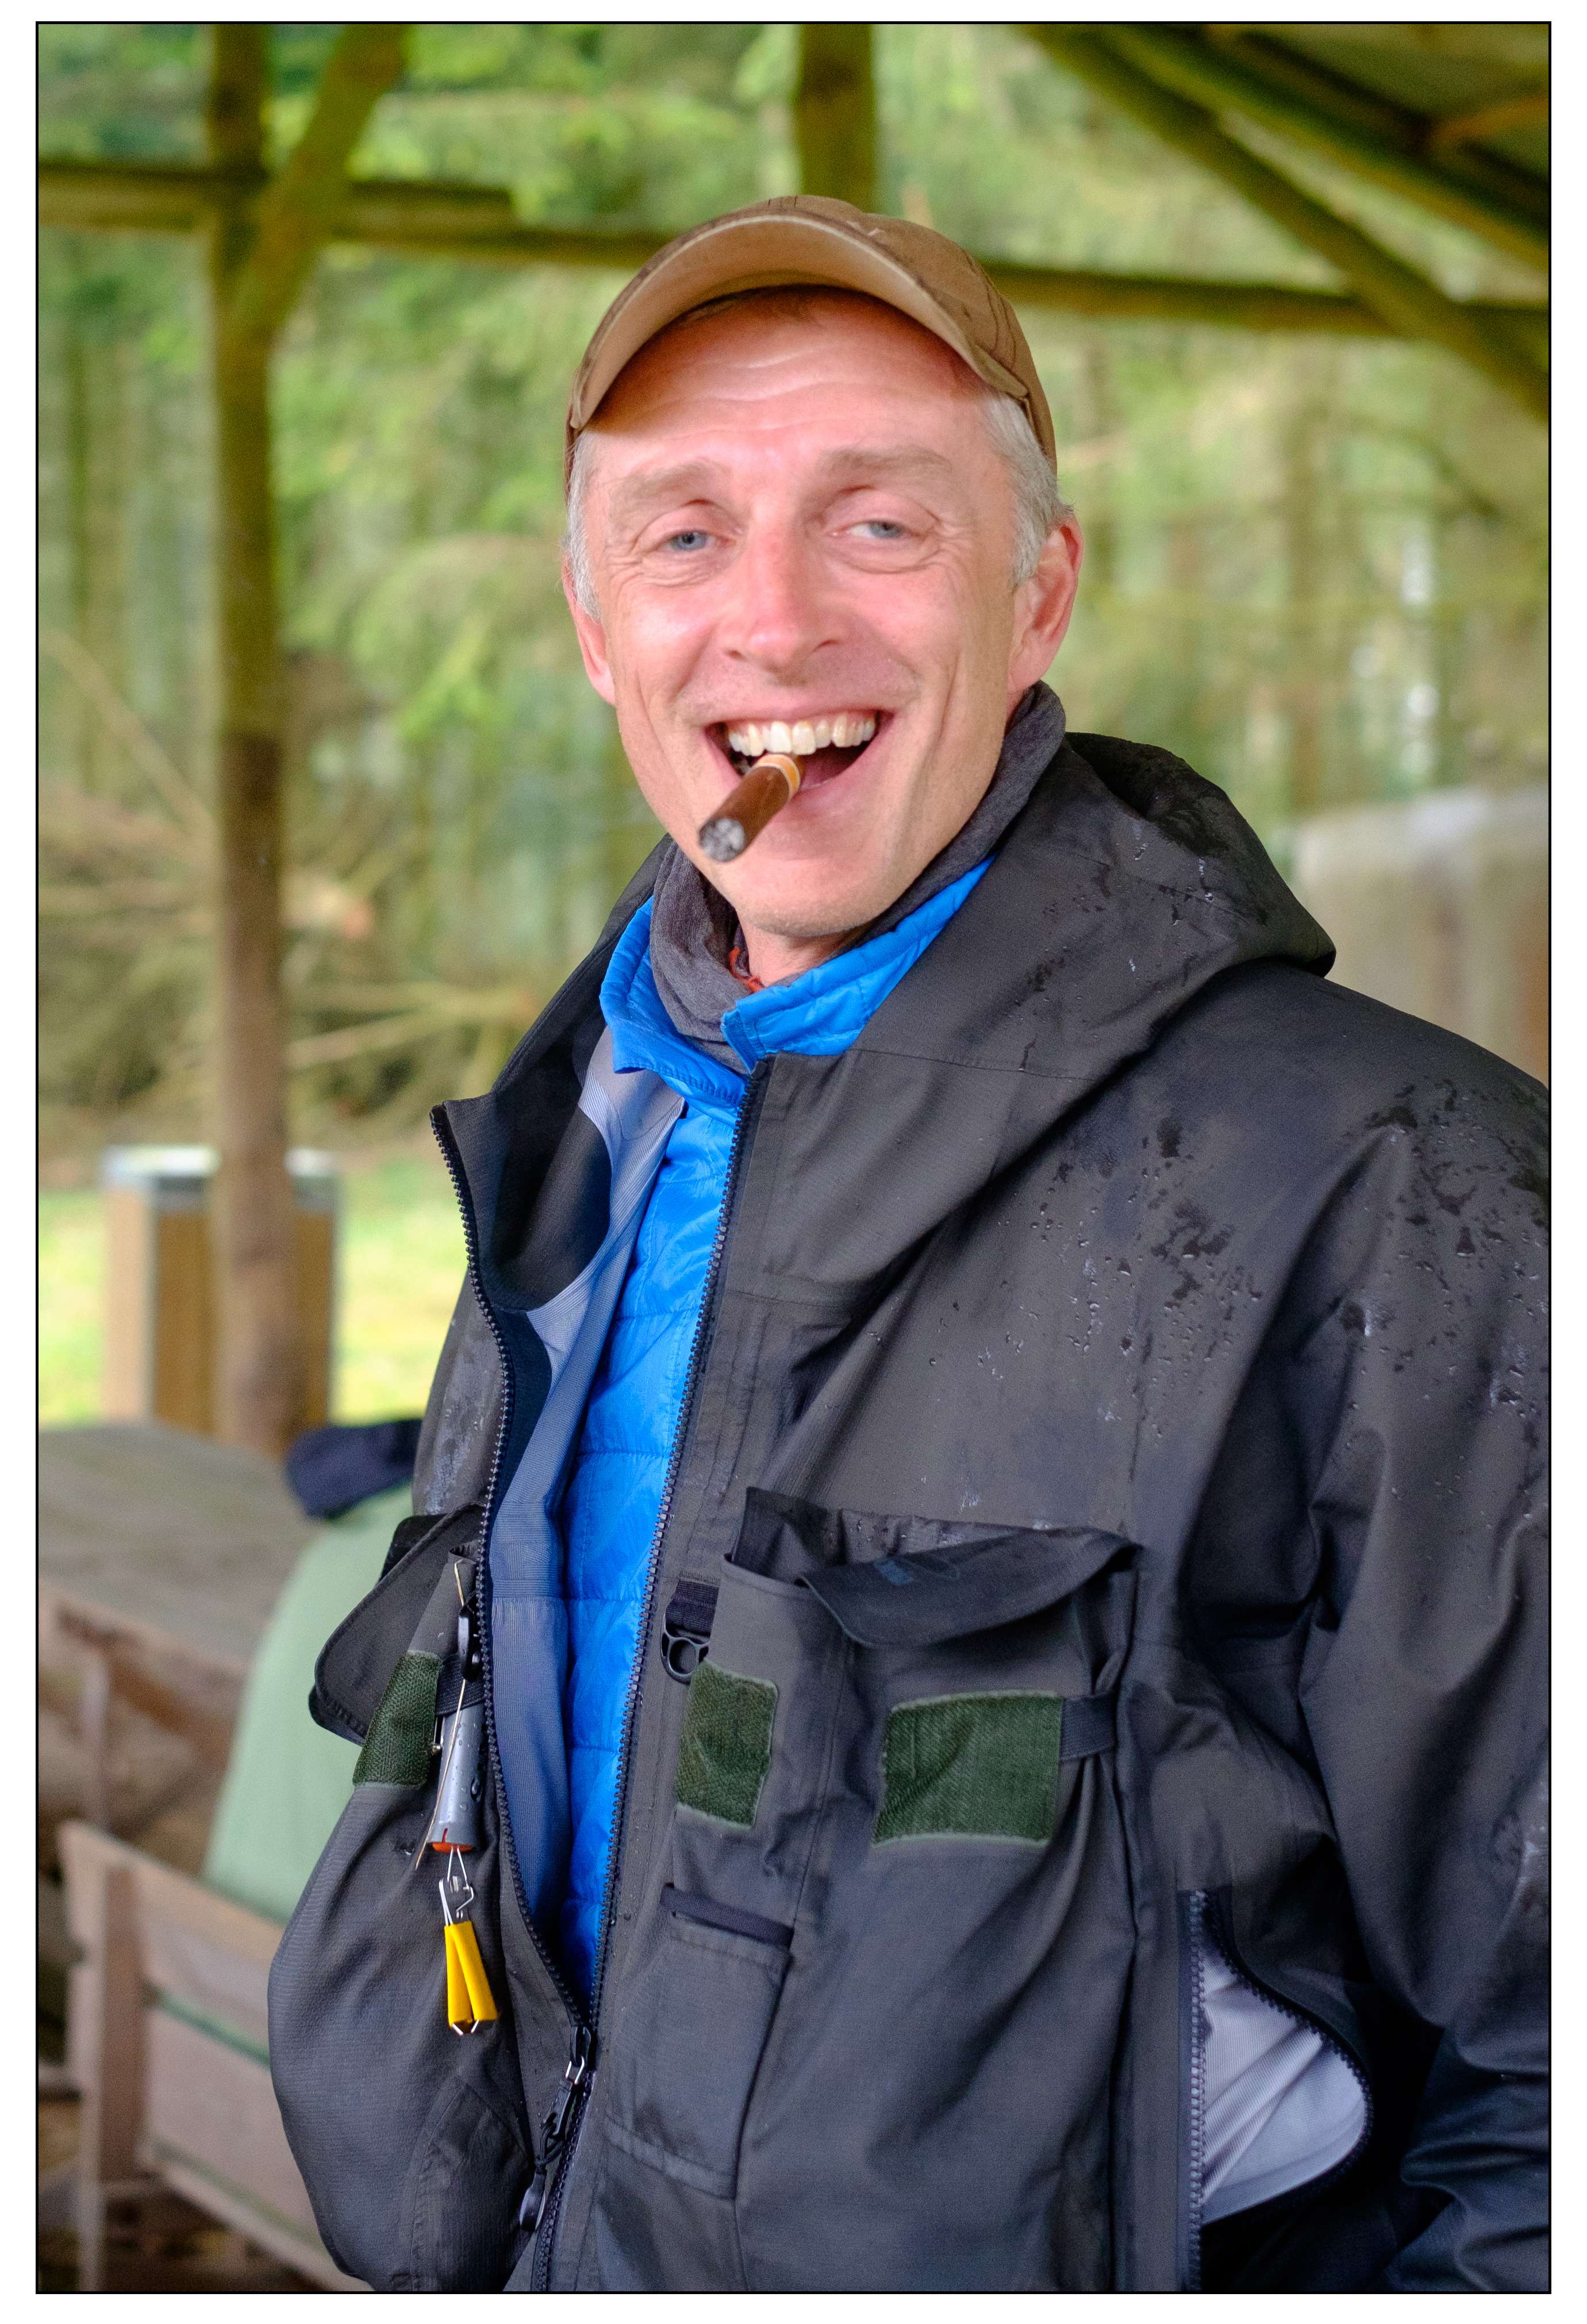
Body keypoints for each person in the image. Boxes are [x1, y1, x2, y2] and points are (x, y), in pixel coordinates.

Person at [269, 198, 1547, 2294]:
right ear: (595, 627)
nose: (772, 622)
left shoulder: (1390, 1180)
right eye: (684, 534)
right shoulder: (586, 1122)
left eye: (877, 524)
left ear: (1037, 592)